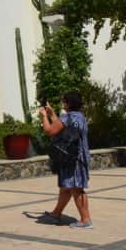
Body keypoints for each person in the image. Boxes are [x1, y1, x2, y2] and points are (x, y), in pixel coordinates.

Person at [39, 91, 92, 229]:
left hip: (72, 158)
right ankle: (56, 214)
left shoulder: (68, 117)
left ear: (68, 103)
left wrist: (44, 116)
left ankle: (86, 220)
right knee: (66, 187)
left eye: (64, 101)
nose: (62, 103)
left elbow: (51, 130)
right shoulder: (79, 116)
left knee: (76, 188)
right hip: (77, 156)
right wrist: (51, 113)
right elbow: (62, 126)